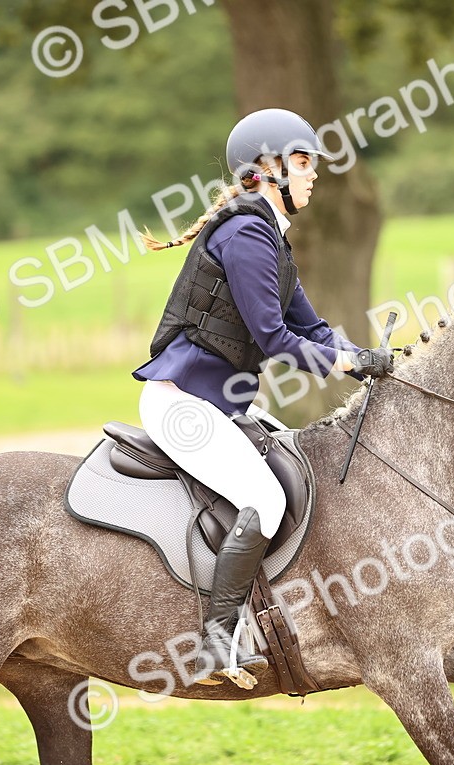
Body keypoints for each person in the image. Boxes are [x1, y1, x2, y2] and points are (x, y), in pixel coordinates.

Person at [132, 108, 394, 689]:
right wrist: (345, 363)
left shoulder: (269, 237)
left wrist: (364, 358)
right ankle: (216, 645)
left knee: (290, 460)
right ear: (266, 170)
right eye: (302, 162)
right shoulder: (248, 233)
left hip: (220, 403)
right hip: (182, 405)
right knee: (265, 499)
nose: (314, 175)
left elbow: (315, 327)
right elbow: (275, 336)